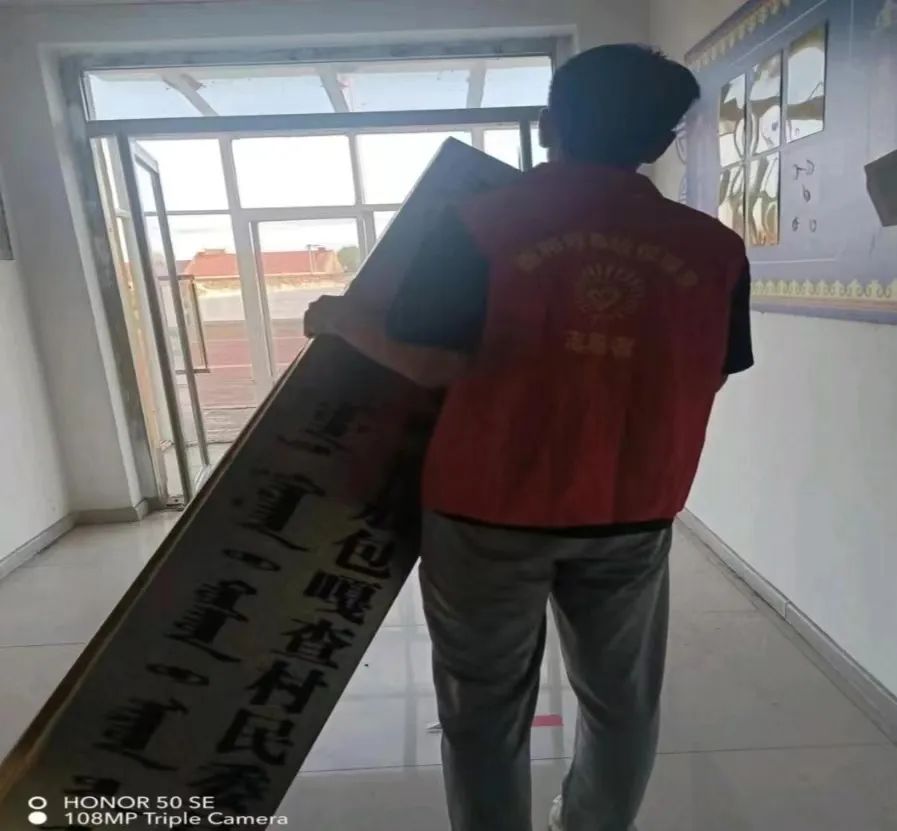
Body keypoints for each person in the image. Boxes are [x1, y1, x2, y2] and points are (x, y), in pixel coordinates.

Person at [305, 44, 754, 831]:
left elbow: (430, 361)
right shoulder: (714, 249)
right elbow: (709, 372)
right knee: (620, 701)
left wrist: (341, 318)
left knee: (483, 706)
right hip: (631, 509)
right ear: (660, 142)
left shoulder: (479, 224)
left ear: (549, 124)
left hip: (486, 507)